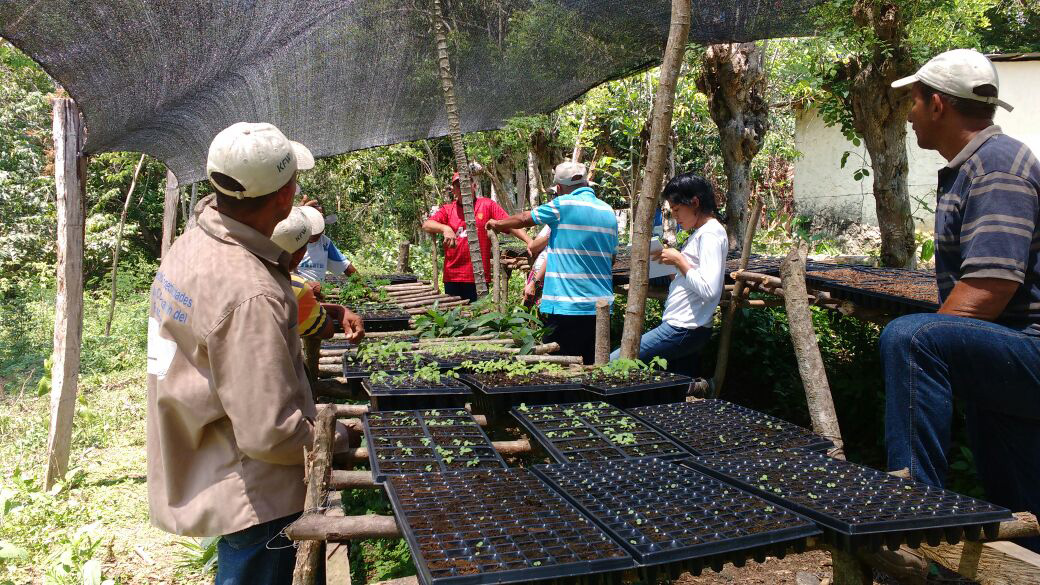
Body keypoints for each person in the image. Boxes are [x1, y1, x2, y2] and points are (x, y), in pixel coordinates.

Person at [146, 122, 350, 584]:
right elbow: (270, 434)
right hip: (255, 493)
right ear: (283, 198)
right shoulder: (249, 293)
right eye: (293, 182)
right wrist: (337, 440)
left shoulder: (192, 245)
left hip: (209, 456)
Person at [884, 49, 1039, 551]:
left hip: (1029, 349)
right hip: (1010, 348)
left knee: (911, 338)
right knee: (1017, 499)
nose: (907, 114)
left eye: (913, 100)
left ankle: (914, 514)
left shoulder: (998, 166)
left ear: (937, 105)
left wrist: (930, 343)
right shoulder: (978, 164)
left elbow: (990, 289)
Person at [488, 162, 618, 364]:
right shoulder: (608, 210)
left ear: (558, 188)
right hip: (600, 306)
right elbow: (612, 257)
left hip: (567, 303)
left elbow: (524, 218)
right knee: (594, 366)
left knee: (560, 367)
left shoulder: (562, 205)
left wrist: (497, 223)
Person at [609, 173, 727, 376]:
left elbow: (710, 290)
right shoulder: (702, 233)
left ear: (695, 202)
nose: (676, 217)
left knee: (614, 363)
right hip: (686, 326)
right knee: (676, 388)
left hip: (684, 327)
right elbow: (692, 279)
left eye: (677, 210)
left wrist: (678, 260)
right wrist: (670, 267)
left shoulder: (709, 234)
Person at [422, 172, 533, 302]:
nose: (463, 188)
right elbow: (427, 224)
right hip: (452, 275)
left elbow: (509, 223)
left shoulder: (487, 205)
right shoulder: (448, 209)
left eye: (466, 184)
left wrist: (529, 241)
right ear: (454, 190)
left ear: (473, 186)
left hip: (478, 276)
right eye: (459, 185)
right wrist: (445, 228)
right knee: (454, 316)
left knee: (480, 317)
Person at [271, 205, 364, 341]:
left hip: (310, 300)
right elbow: (328, 330)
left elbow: (346, 266)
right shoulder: (296, 286)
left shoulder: (325, 244)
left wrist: (363, 287)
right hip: (302, 297)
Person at [296, 210, 357, 283]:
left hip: (314, 290)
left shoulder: (324, 242)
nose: (317, 233)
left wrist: (364, 288)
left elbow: (346, 266)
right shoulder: (292, 240)